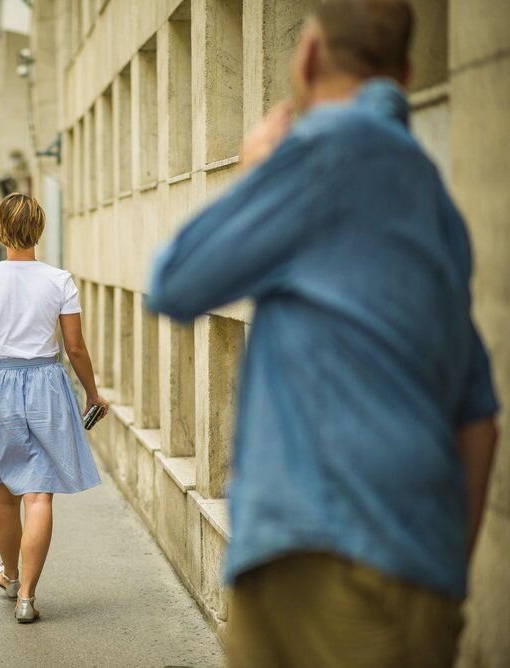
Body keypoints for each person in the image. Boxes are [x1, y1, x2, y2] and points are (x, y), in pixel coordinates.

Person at [147, 2, 499, 666]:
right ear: (406, 71)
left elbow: (177, 281)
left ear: (306, 59)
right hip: (413, 572)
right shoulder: (430, 196)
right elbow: (479, 418)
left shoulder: (327, 152)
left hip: (320, 565)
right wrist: (444, 571)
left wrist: (255, 173)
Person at [0, 193, 107, 623]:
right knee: (39, 494)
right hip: (47, 384)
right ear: (39, 229)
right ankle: (27, 596)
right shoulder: (59, 280)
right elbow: (75, 347)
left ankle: (9, 575)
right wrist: (93, 394)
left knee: (6, 494)